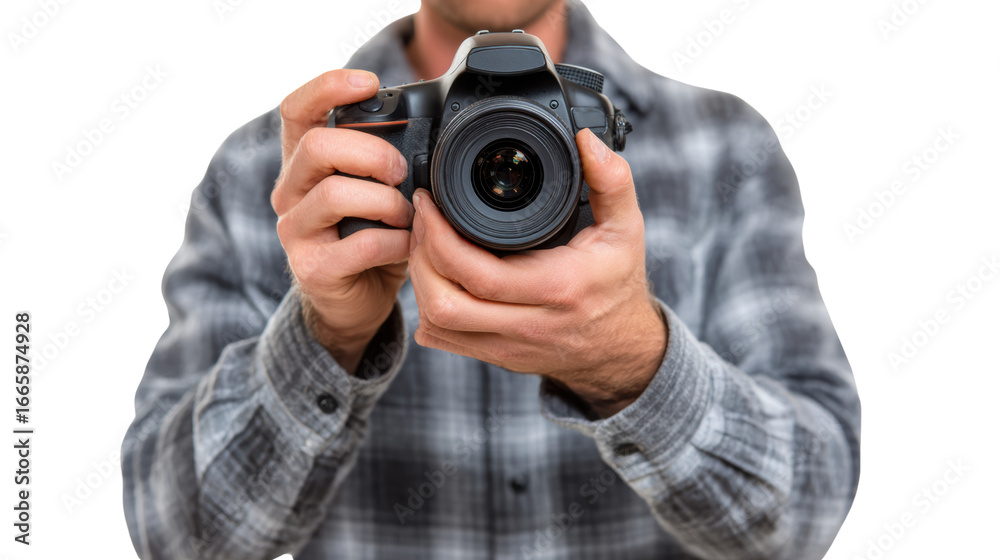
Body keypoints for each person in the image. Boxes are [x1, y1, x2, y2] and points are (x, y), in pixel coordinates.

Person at [122, 0, 861, 558]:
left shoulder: (723, 147)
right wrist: (328, 335)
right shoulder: (286, 166)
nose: (503, 171)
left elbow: (805, 517)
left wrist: (632, 363)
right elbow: (176, 535)